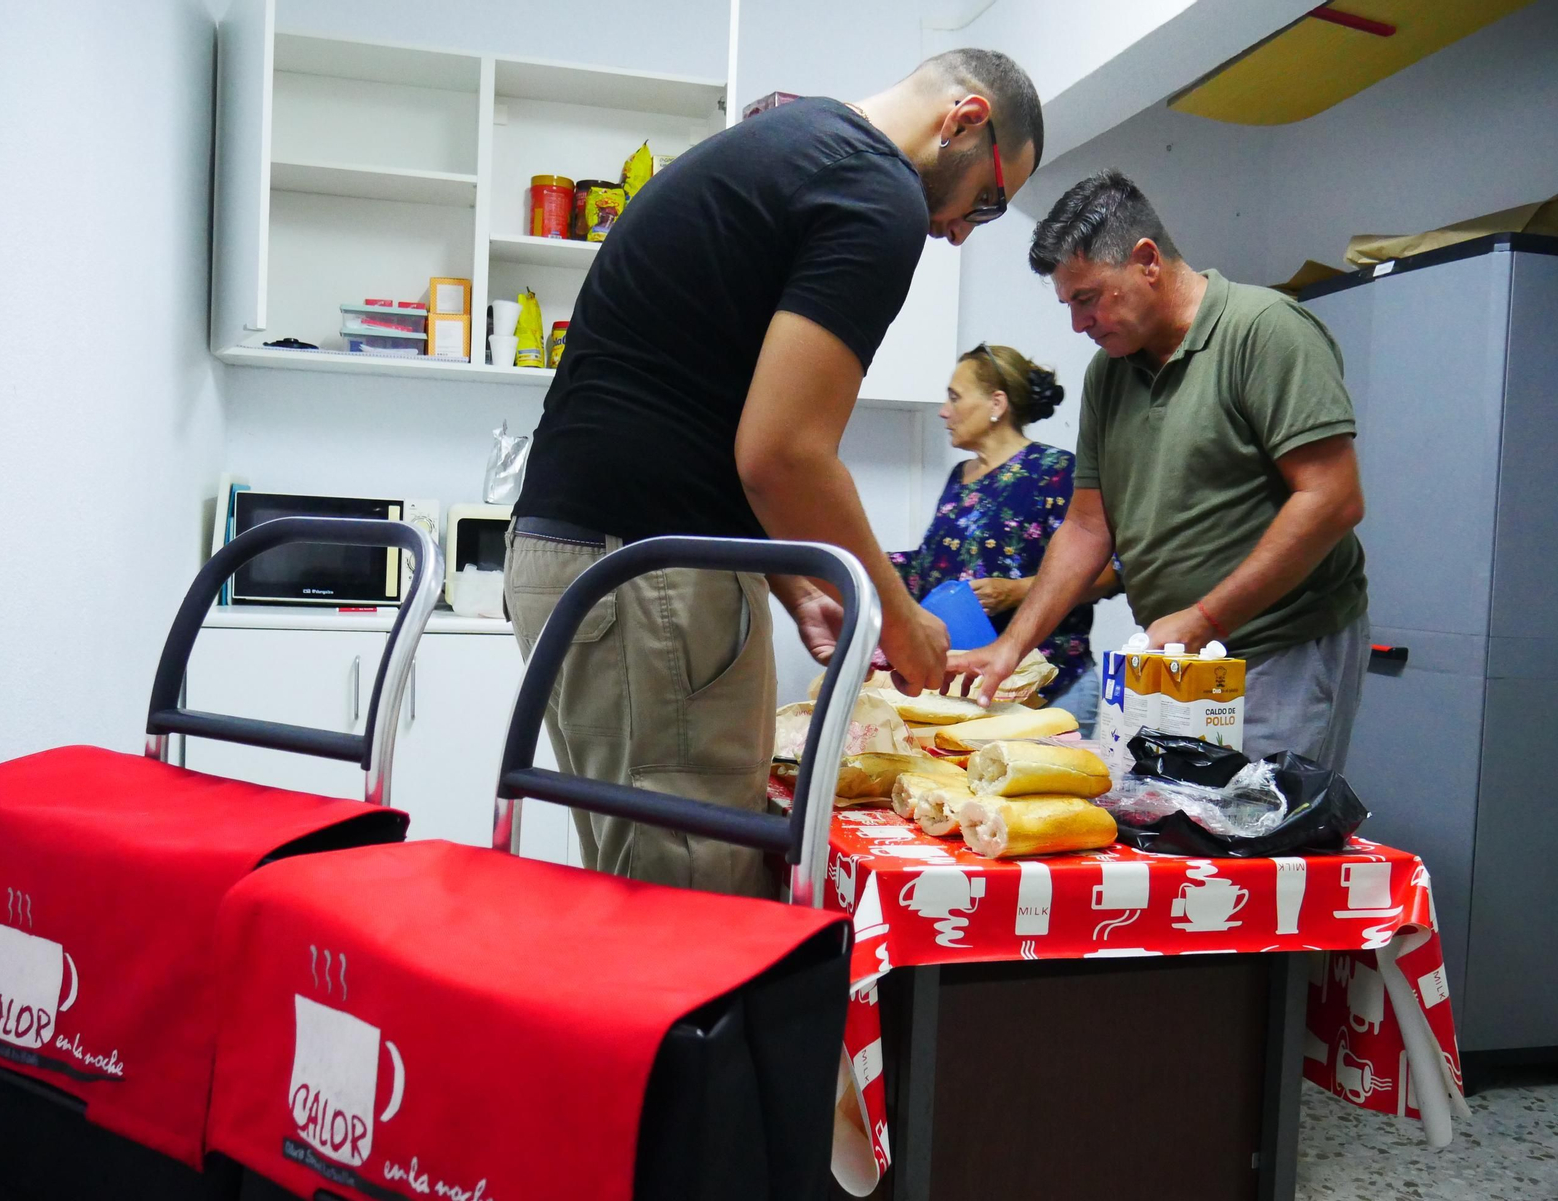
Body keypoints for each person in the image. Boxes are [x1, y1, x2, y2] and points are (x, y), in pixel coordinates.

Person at [506, 51, 1045, 897]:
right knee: (693, 910)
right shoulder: (879, 191)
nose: (962, 232)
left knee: (633, 890)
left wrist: (797, 585)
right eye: (987, 199)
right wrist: (894, 616)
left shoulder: (792, 141)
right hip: (651, 580)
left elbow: (714, 416)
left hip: (577, 557)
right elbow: (783, 452)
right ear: (965, 120)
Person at [952, 169, 1369, 772]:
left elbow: (1331, 500)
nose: (1078, 324)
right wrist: (1009, 648)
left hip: (1278, 647)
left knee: (1256, 841)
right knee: (1169, 836)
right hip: (1175, 655)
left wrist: (1205, 618)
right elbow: (1088, 529)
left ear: (1146, 260)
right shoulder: (1108, 373)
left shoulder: (1264, 331)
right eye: (1068, 304)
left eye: (1088, 298)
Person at [889, 343, 1118, 728]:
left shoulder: (1056, 470)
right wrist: (865, 563)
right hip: (977, 690)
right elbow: (932, 566)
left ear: (997, 403)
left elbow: (1111, 570)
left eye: (955, 398)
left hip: (1050, 691)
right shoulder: (960, 477)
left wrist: (1017, 590)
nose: (945, 412)